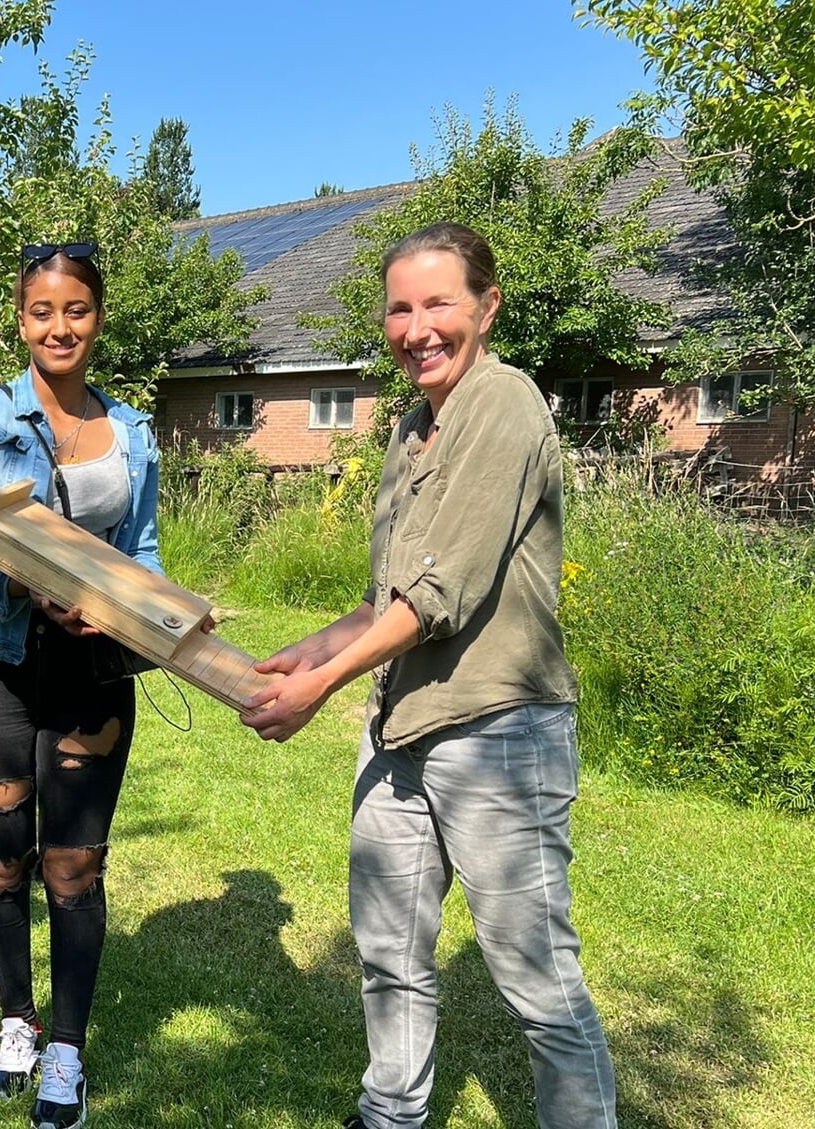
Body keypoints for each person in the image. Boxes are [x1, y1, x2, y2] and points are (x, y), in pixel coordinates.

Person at [239, 222, 618, 1129]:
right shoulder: (412, 426)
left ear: (485, 306)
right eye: (400, 307)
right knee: (388, 949)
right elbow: (391, 593)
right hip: (400, 729)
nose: (417, 327)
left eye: (438, 303)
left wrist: (317, 691)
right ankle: (390, 1111)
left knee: (534, 970)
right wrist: (314, 648)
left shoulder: (505, 405)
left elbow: (441, 595)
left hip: (496, 734)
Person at [0, 242, 161, 1129]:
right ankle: (14, 1021)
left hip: (88, 671)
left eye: (77, 309)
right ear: (19, 319)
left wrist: (132, 613)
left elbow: (138, 552)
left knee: (73, 860)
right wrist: (26, 585)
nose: (59, 326)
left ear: (98, 316)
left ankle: (65, 1044)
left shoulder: (131, 431)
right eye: (41, 311)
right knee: (0, 863)